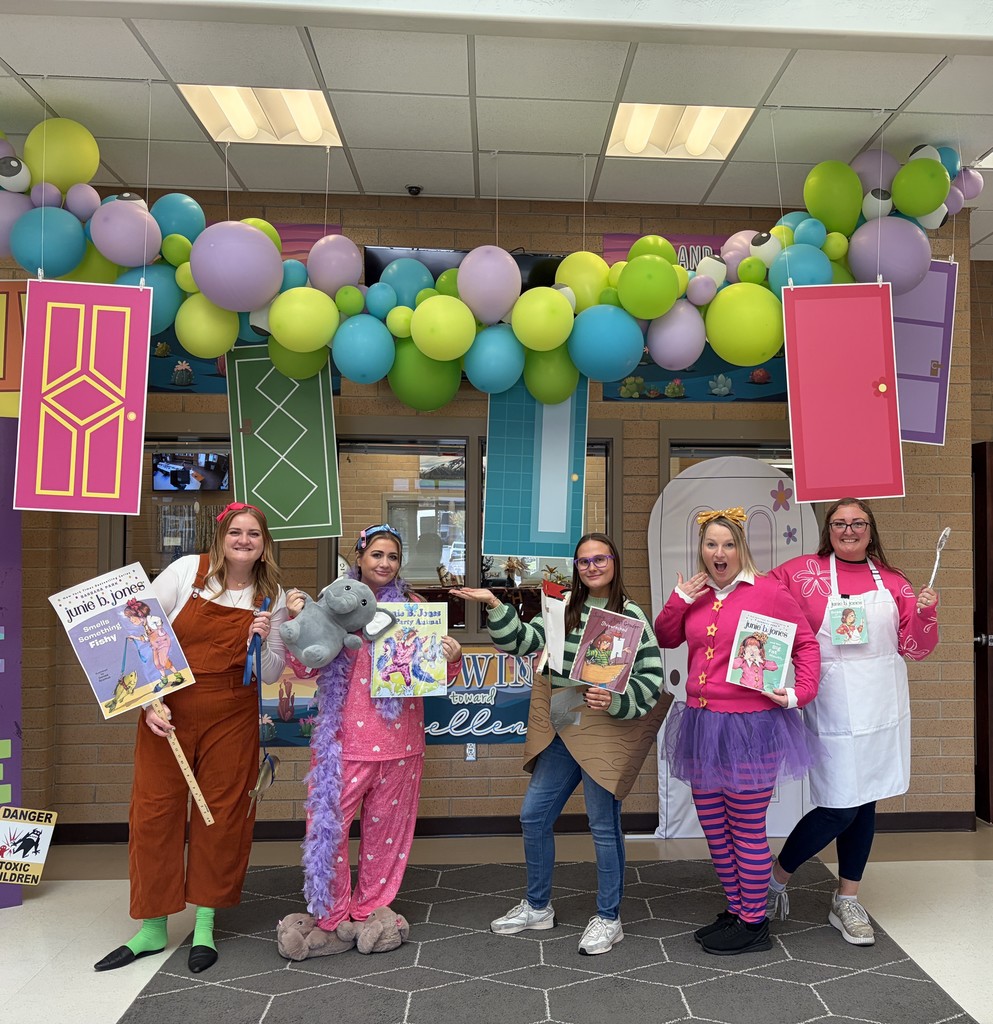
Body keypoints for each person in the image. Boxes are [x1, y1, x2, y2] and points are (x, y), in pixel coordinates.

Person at [451, 533, 667, 957]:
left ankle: (609, 918)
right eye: (584, 561)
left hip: (604, 723)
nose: (592, 567)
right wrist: (495, 605)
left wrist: (618, 700)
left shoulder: (630, 614)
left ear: (614, 562)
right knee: (533, 816)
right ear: (576, 566)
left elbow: (652, 680)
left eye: (600, 558)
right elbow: (524, 643)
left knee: (603, 826)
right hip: (564, 717)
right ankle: (537, 906)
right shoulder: (561, 606)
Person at [95, 502, 288, 974]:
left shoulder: (272, 596)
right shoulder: (187, 572)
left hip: (233, 715)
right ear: (221, 537)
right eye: (236, 532)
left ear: (265, 546)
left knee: (220, 814)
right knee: (154, 812)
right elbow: (136, 626)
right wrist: (146, 701)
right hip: (169, 709)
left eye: (254, 535)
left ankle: (205, 924)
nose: (244, 540)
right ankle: (152, 928)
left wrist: (257, 643)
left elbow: (272, 671)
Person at [769, 497, 939, 945]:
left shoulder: (897, 582)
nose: (849, 530)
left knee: (867, 801)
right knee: (839, 804)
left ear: (870, 529)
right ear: (828, 529)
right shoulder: (800, 574)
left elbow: (917, 648)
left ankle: (847, 899)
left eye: (857, 523)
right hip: (832, 706)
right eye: (840, 523)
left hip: (882, 708)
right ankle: (776, 875)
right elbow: (758, 602)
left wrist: (924, 612)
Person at [654, 507, 821, 956]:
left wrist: (798, 693)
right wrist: (678, 598)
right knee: (713, 824)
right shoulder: (697, 592)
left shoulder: (768, 591)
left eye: (728, 544)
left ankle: (754, 923)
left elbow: (805, 644)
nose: (719, 552)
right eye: (711, 544)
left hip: (754, 727)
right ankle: (736, 908)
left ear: (741, 547)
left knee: (745, 828)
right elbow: (666, 636)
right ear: (701, 550)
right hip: (702, 723)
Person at [289, 523, 463, 952]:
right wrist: (299, 621)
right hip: (343, 743)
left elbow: (435, 677)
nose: (385, 563)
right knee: (326, 830)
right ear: (360, 558)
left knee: (387, 835)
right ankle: (330, 915)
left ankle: (371, 910)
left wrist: (452, 657)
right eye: (377, 555)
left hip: (401, 742)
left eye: (393, 557)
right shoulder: (331, 605)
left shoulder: (415, 608)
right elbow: (306, 669)